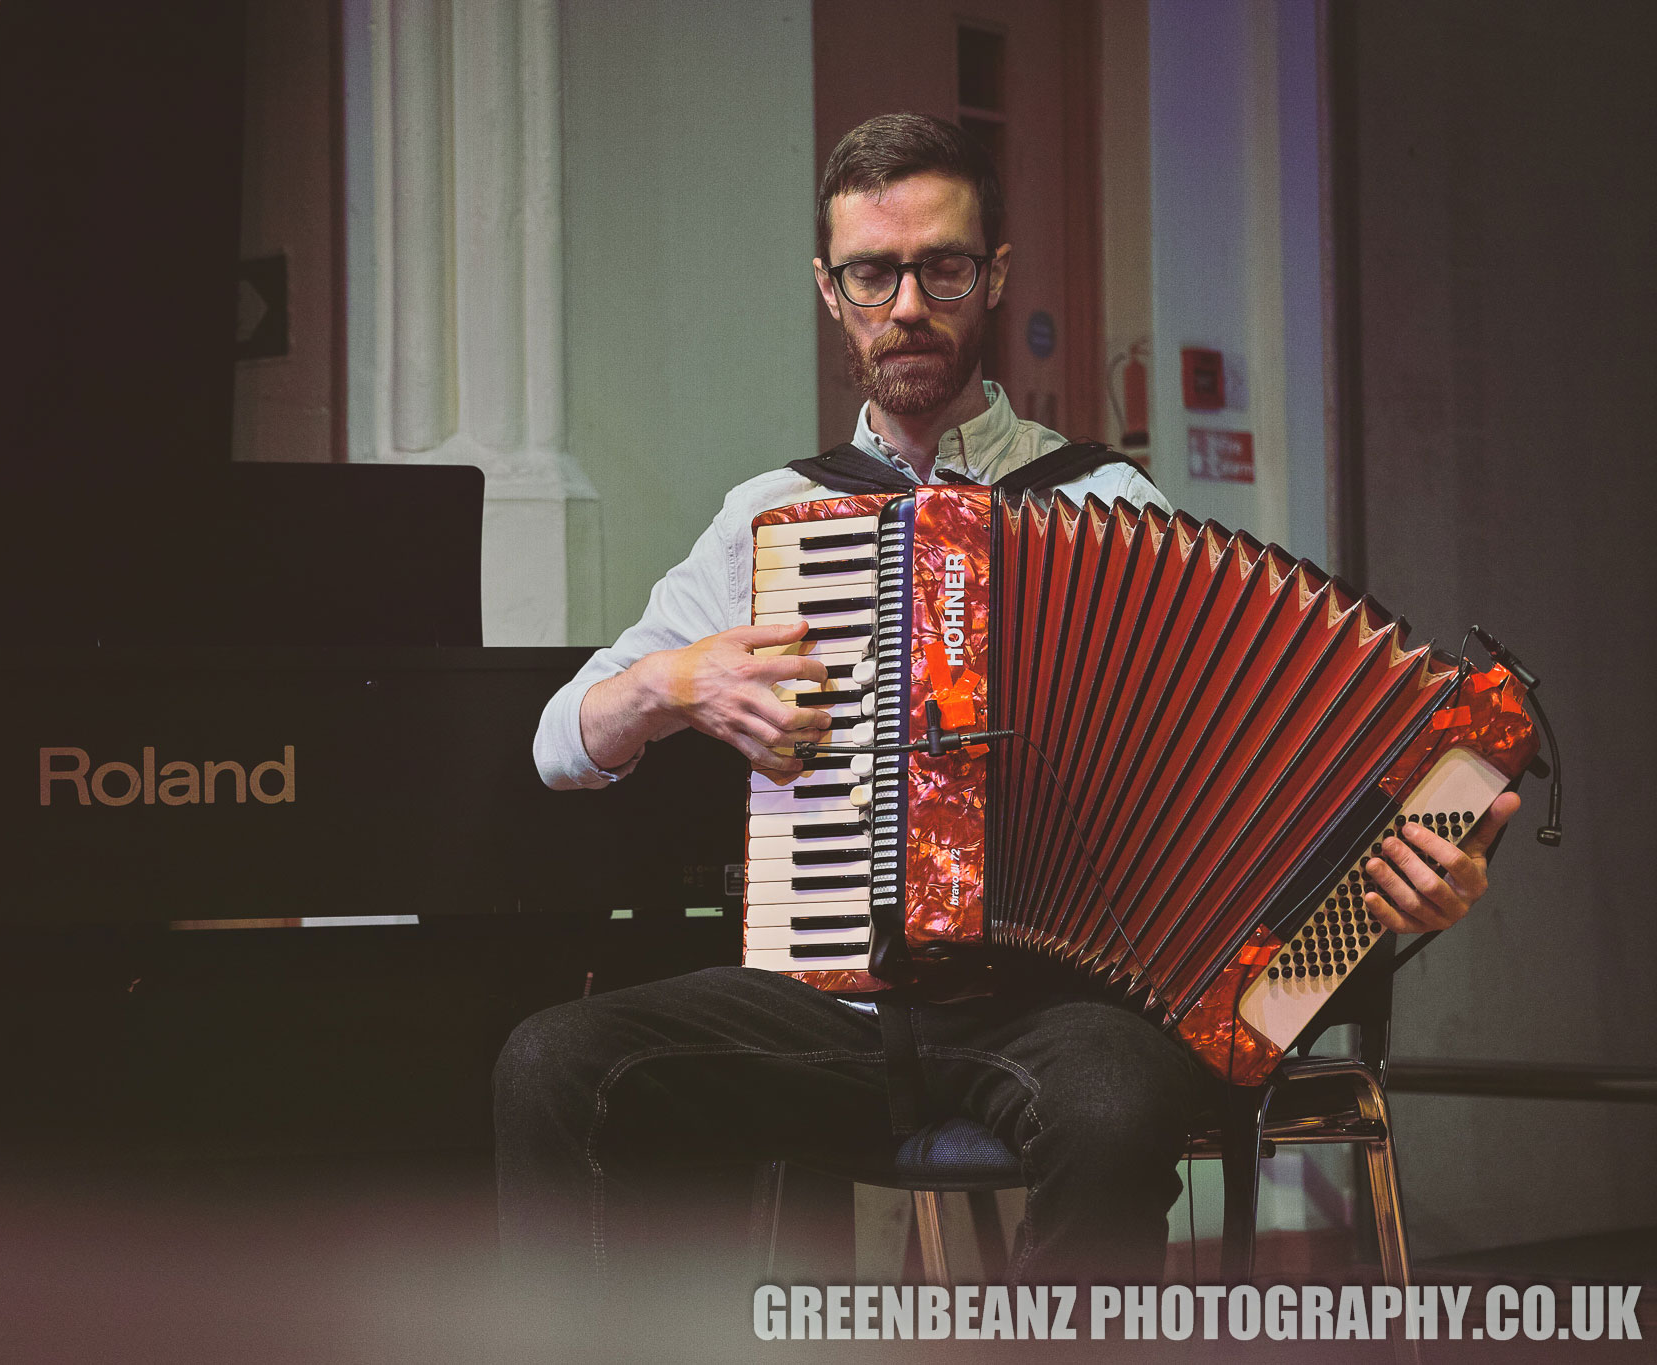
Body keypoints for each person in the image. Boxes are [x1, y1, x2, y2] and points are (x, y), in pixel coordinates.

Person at [499, 112, 1516, 1297]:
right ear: (830, 291)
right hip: (832, 997)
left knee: (1113, 1100)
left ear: (991, 277)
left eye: (941, 267)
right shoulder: (768, 520)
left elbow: (1264, 756)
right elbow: (557, 741)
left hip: (1061, 1010)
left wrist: (1405, 882)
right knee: (547, 1063)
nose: (907, 303)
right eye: (872, 273)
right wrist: (672, 682)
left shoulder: (1103, 500)